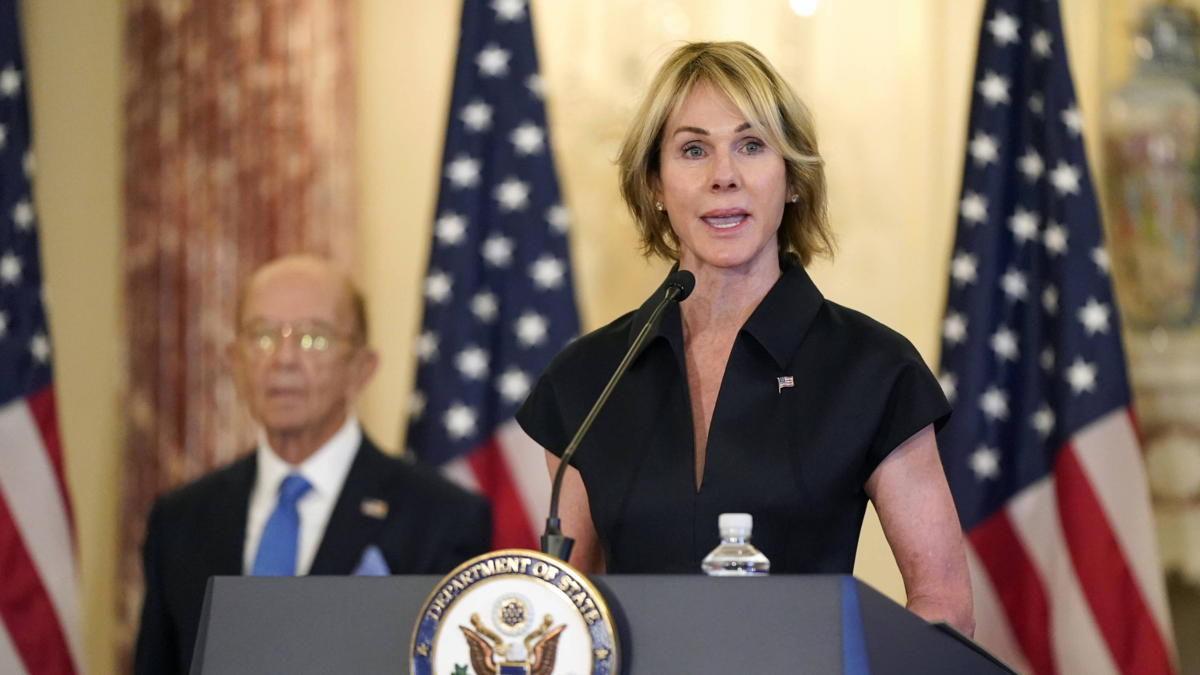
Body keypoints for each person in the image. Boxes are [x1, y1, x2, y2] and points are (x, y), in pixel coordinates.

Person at [515, 42, 974, 635]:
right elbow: (569, 615)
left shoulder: (873, 369)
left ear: (792, 178)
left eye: (751, 145)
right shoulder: (589, 378)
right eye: (693, 149)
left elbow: (943, 604)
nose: (723, 176)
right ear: (655, 185)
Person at [134, 255, 492, 675]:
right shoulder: (180, 520)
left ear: (361, 369)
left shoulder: (441, 519)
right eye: (262, 335)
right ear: (235, 361)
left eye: (314, 338)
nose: (283, 358)